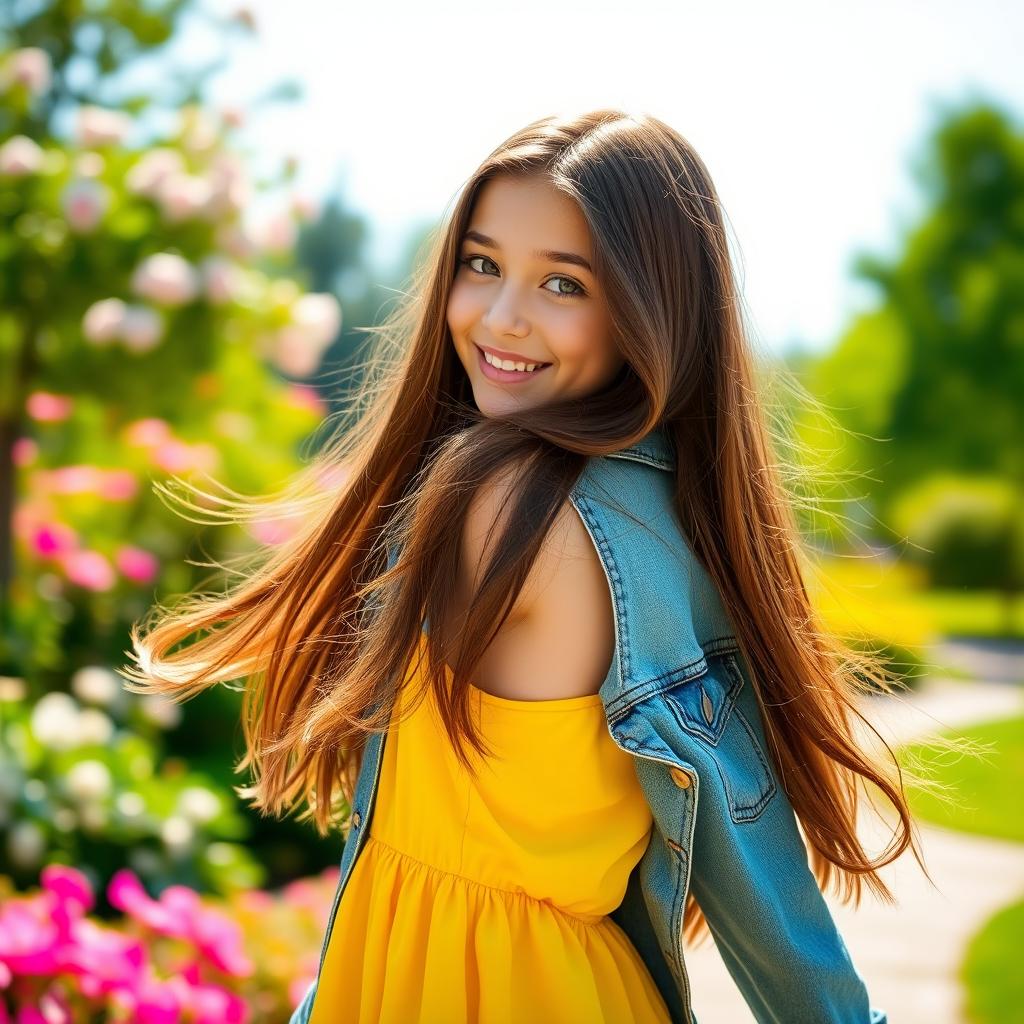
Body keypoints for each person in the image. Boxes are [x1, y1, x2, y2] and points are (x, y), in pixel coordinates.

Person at [122, 109, 941, 1023]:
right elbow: (765, 886)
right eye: (482, 264)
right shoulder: (676, 525)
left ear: (650, 309)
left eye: (563, 284)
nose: (501, 318)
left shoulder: (500, 501)